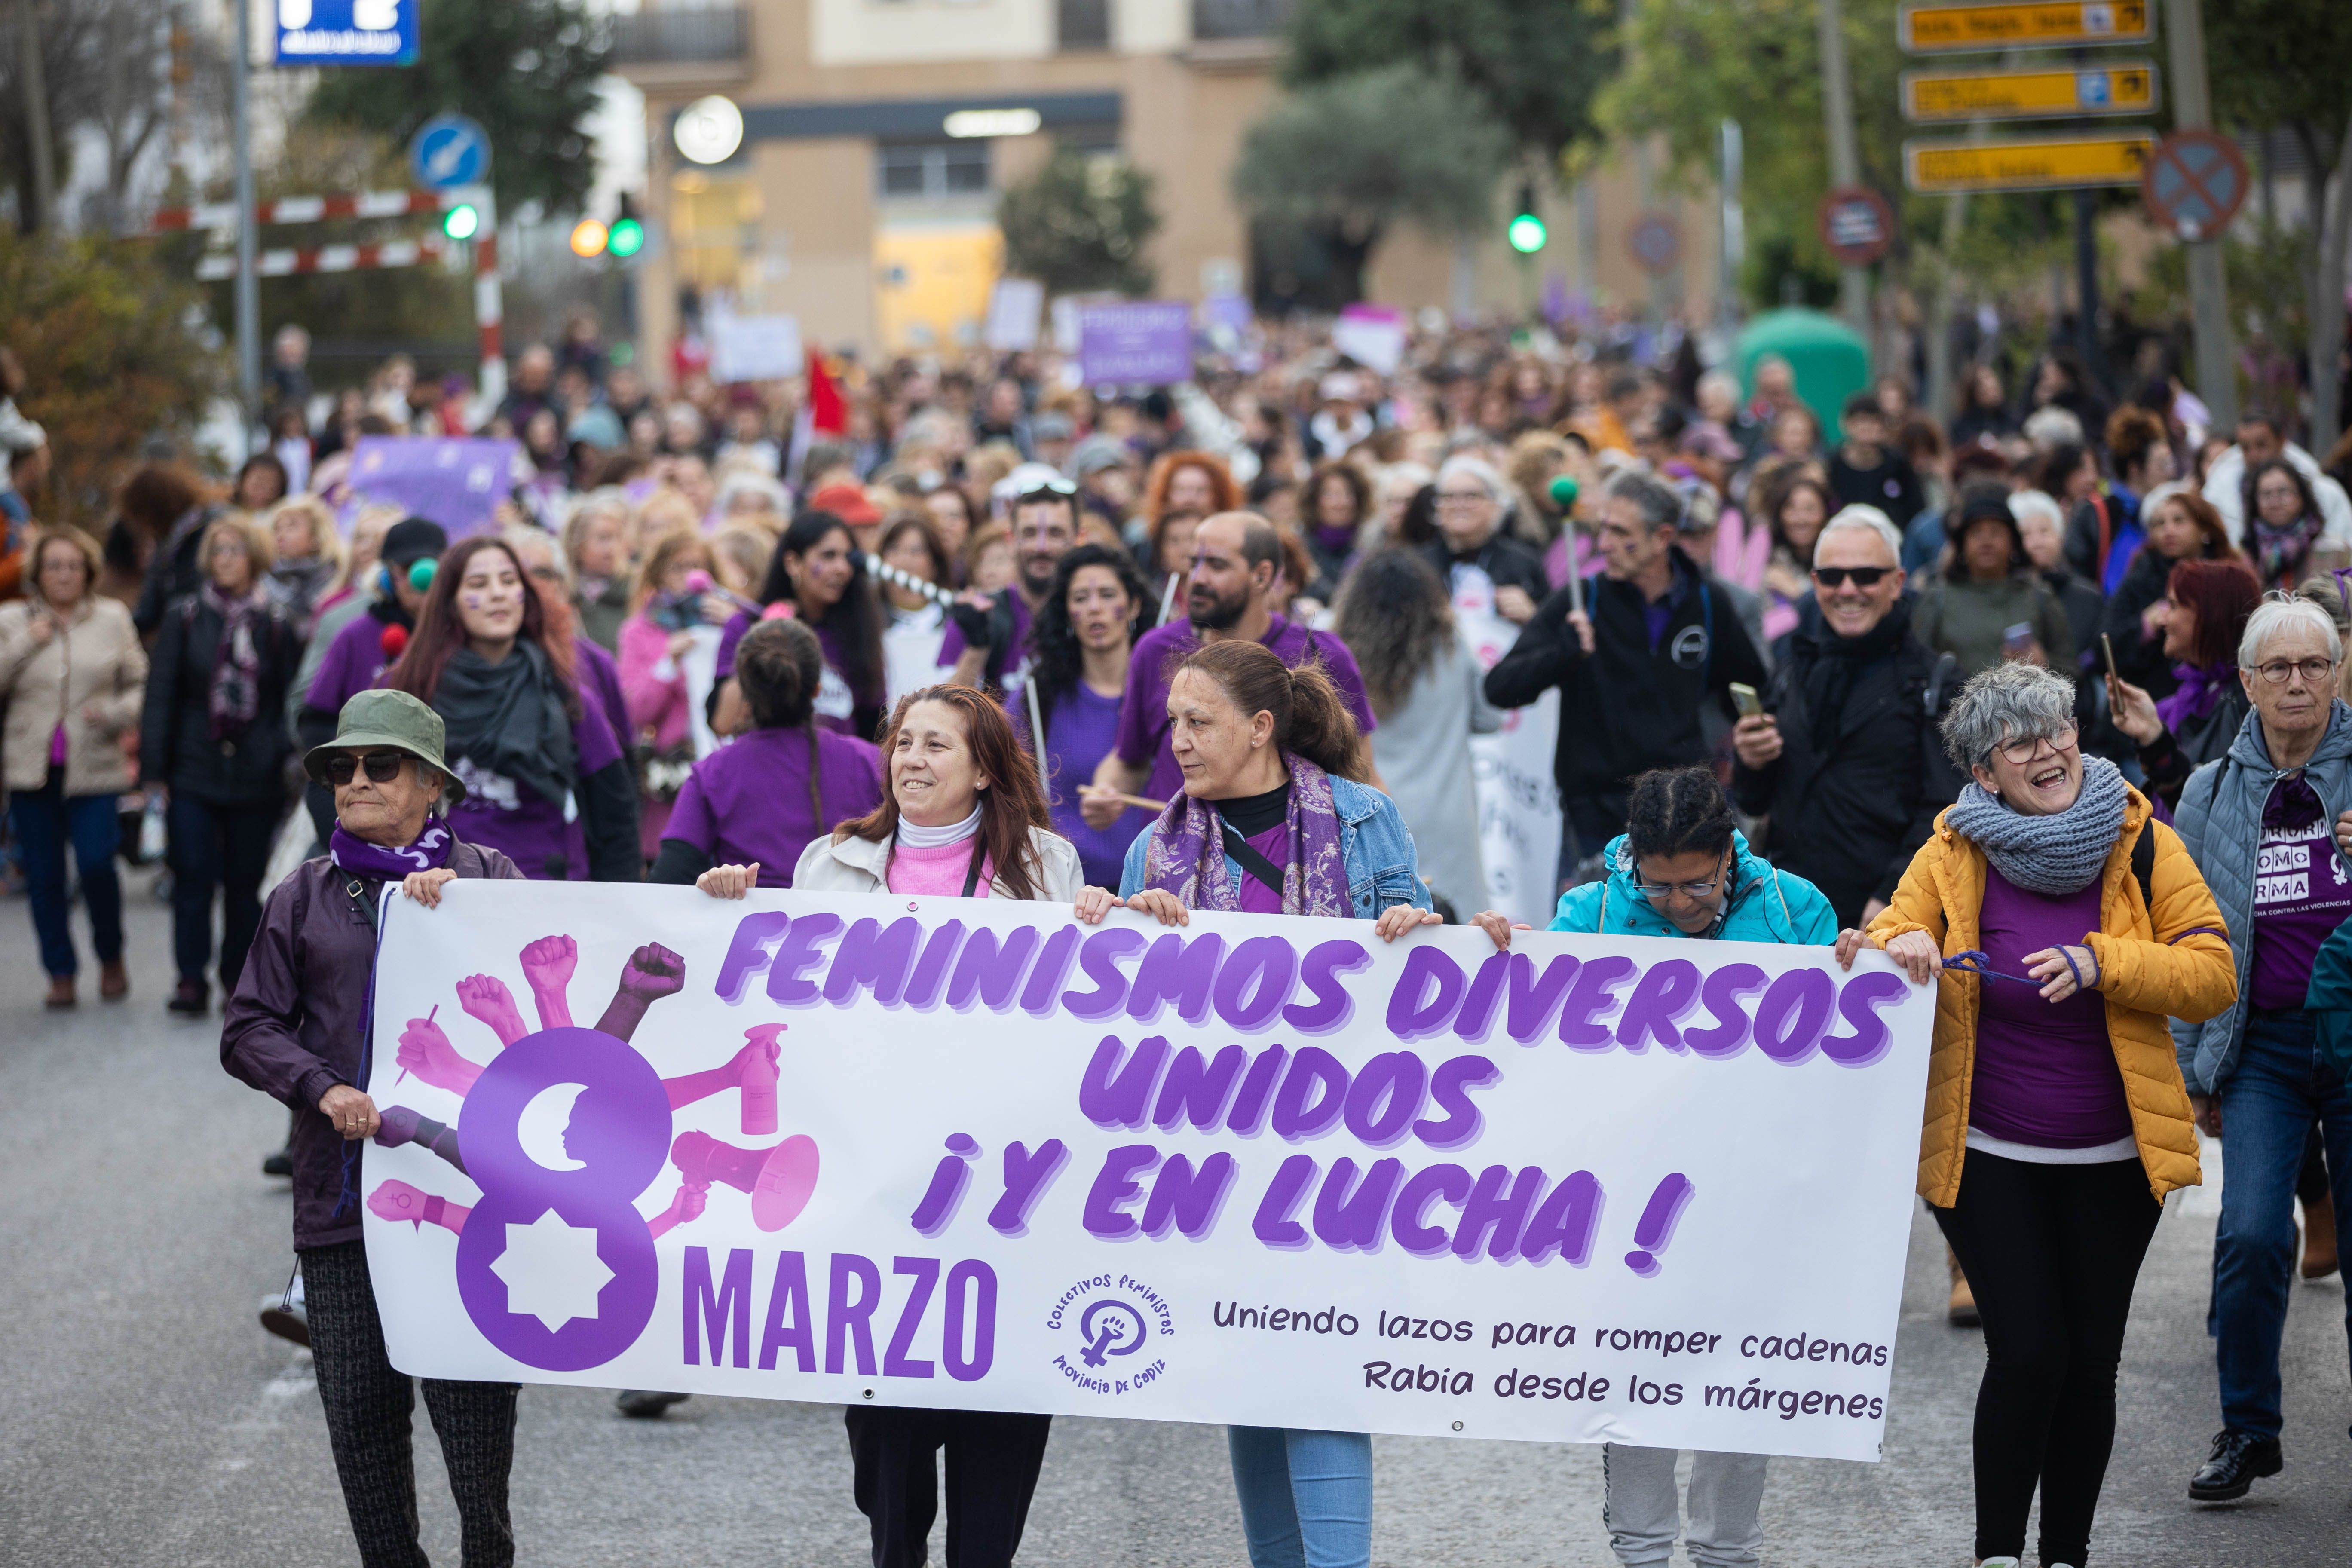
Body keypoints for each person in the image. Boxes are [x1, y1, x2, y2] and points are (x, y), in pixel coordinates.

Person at [1842, 660, 2233, 1566]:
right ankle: (1997, 1554)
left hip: (2117, 1156)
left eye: (2059, 729)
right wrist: (1896, 945)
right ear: (1985, 773)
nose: (2050, 750)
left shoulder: (2143, 840)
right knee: (2027, 1353)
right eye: (2022, 741)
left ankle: (2066, 1553)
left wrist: (2107, 964)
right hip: (1985, 1152)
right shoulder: (1950, 853)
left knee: (2089, 1363)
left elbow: (2214, 975)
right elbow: (1902, 932)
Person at [1073, 639, 1437, 1568]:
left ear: (1262, 727)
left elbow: (1426, 963)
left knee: (1320, 1371)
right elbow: (1126, 1012)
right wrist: (1117, 925)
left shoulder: (1364, 819)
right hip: (1216, 1157)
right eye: (1174, 725)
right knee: (1247, 1367)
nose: (1181, 743)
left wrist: (1416, 925)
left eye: (1200, 723)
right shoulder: (1157, 845)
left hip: (1338, 1146)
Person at [701, 683, 1079, 1568]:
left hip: (1001, 1206)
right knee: (890, 1476)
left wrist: (1119, 921)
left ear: (984, 768)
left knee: (992, 1479)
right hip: (879, 1212)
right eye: (904, 743)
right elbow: (785, 1006)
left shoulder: (1050, 866)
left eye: (937, 746)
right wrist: (724, 905)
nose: (912, 759)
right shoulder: (831, 864)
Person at [1470, 764, 1832, 1568]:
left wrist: (1867, 962)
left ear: (1730, 853)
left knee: (1742, 1380)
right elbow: (1539, 1045)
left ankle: (1727, 1552)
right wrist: (1503, 954)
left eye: (1697, 885)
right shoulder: (1588, 911)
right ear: (1631, 858)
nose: (1678, 903)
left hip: (1753, 1193)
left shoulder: (1794, 909)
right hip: (1627, 1200)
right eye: (1659, 886)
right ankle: (1640, 1554)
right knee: (1635, 1380)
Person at [220, 689, 528, 1568]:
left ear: (431, 785)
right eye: (340, 768)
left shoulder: (493, 882)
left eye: (378, 765)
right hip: (344, 1199)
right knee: (361, 1423)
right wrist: (320, 1089)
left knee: (475, 1433)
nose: (352, 781)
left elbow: (557, 1009)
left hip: (468, 1202)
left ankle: (488, 1556)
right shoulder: (304, 894)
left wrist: (465, 915)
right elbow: (247, 1027)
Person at [2171, 594, 2352, 1502]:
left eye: (2312, 665)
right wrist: (2188, 1068)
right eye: (2276, 668)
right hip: (2263, 1050)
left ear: (2336, 674)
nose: (2295, 683)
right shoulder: (2208, 790)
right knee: (2248, 1236)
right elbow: (2182, 936)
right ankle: (2249, 1431)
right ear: (2245, 683)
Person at [1485, 469, 1767, 889]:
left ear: (1663, 537)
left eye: (1620, 532)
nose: (1604, 545)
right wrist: (1564, 652)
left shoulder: (1709, 603)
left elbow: (1748, 695)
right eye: (1602, 529)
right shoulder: (1584, 599)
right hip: (1595, 815)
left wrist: (1758, 736)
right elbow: (1501, 688)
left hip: (1682, 812)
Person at [1731, 506, 1963, 928]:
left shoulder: (1935, 680)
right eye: (1833, 577)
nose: (1849, 589)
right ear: (1815, 583)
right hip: (1789, 912)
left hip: (1890, 919)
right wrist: (1751, 761)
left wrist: (1895, 897)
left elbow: (1947, 810)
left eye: (1866, 575)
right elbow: (1756, 800)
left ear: (1897, 583)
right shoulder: (1793, 669)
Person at [383, 535, 640, 882]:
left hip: (546, 892)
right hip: (440, 892)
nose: (498, 594)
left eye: (508, 581)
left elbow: (617, 813)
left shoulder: (566, 695)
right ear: (451, 602)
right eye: (478, 583)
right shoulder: (408, 691)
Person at [1090, 510, 1377, 820]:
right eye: (1194, 562)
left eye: (1217, 565)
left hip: (1289, 859)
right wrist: (1104, 792)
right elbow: (1130, 760)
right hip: (1177, 858)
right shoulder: (1155, 649)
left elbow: (1362, 776)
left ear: (1262, 576)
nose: (1198, 578)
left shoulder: (1323, 654)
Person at [141, 513, 302, 1016]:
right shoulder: (184, 616)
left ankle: (236, 978)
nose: (225, 560)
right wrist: (154, 773)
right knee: (191, 874)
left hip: (255, 774)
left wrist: (275, 748)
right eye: (218, 551)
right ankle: (190, 978)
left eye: (234, 550)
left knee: (244, 882)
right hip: (193, 766)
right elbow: (162, 694)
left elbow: (288, 700)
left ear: (254, 557)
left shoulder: (277, 623)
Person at [1, 524, 145, 1007]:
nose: (63, 574)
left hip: (96, 764)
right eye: (53, 566)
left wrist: (117, 714)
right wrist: (27, 643)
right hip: (30, 766)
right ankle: (60, 972)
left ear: (88, 572)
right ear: (37, 572)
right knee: (44, 877)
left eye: (73, 566)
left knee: (96, 865)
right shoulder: (11, 619)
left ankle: (110, 956)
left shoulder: (112, 617)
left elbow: (138, 683)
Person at [650, 617, 887, 889]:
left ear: (744, 692)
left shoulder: (712, 774)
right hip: (854, 928)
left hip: (749, 930)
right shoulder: (872, 762)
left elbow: (669, 880)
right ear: (817, 690)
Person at [1332, 548, 1497, 913]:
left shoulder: (1336, 650)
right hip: (1446, 817)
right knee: (1459, 938)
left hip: (1364, 812)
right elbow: (1490, 718)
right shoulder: (1452, 648)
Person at [294, 517, 448, 850]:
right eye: (405, 568)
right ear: (389, 574)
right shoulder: (356, 634)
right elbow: (314, 720)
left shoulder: (458, 640)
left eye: (427, 568)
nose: (417, 580)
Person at [1017, 542, 1153, 891]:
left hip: (1158, 892)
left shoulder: (1168, 693)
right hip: (1065, 893)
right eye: (1080, 598)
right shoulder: (1038, 697)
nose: (1095, 609)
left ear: (1134, 604)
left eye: (1108, 595)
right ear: (1066, 612)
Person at [713, 510, 889, 741]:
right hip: (770, 768)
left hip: (837, 770)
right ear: (793, 563)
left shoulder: (858, 630)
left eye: (848, 558)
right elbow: (724, 722)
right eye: (828, 556)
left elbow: (875, 729)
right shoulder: (746, 625)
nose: (843, 568)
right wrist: (767, 636)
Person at [2105, 560, 2262, 808]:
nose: (2162, 618)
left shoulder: (2249, 703)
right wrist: (2150, 733)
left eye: (2173, 605)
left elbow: (2205, 806)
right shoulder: (2192, 695)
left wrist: (2155, 740)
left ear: (2210, 615)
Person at [618, 529, 731, 859]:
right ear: (658, 577)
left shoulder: (730, 624)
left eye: (698, 566)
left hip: (725, 766)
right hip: (671, 778)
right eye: (677, 568)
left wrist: (737, 628)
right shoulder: (641, 630)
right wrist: (668, 664)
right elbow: (635, 711)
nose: (690, 577)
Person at [1913, 484, 2074, 676]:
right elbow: (1915, 669)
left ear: (2013, 543)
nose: (1986, 541)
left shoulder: (2040, 597)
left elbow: (2073, 672)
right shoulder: (1936, 600)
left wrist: (2045, 664)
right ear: (1962, 545)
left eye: (1996, 532)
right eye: (1976, 532)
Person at [941, 478, 1080, 692]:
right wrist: (977, 647)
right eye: (1030, 533)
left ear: (1079, 539)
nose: (1041, 547)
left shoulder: (1093, 613)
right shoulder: (980, 614)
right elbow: (946, 711)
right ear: (1011, 540)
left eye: (1055, 533)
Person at [2098, 487, 2235, 702]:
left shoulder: (2228, 576)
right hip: (2151, 696)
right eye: (2159, 524)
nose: (2168, 530)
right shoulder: (2140, 576)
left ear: (2204, 529)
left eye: (2179, 521)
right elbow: (2105, 643)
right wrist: (2145, 626)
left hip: (2216, 695)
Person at [1422, 454, 1547, 625]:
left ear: (1496, 505)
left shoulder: (1524, 562)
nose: (1459, 505)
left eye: (1471, 496)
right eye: (1448, 497)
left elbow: (1554, 633)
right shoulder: (1418, 565)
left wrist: (1532, 615)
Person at [2065, 407, 2175, 596]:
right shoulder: (2095, 513)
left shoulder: (2169, 511)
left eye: (2171, 463)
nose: (2170, 472)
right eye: (2162, 464)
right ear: (2135, 469)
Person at [2201, 412, 2352, 548]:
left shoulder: (2325, 492)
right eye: (2245, 448)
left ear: (2281, 441)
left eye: (2261, 445)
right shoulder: (2219, 493)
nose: (2253, 456)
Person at [876, 512, 954, 704]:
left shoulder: (955, 618)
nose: (904, 561)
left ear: (935, 564)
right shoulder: (869, 620)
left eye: (916, 551)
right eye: (894, 550)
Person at [1755, 471, 1836, 645]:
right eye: (1791, 508)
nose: (1800, 519)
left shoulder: (1838, 564)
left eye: (1810, 509)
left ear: (1825, 515)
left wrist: (1798, 592)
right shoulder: (1764, 562)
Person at [1827, 392, 1925, 530]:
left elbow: (1916, 511)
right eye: (1861, 421)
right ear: (1846, 424)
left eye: (1874, 421)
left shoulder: (1898, 464)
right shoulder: (1831, 466)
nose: (1867, 428)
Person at [2241, 457, 2331, 591]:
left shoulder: (2328, 548)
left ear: (2301, 497)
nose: (2275, 503)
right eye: (2266, 495)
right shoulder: (2247, 553)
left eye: (2283, 492)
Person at [564, 489, 639, 652]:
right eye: (603, 538)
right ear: (578, 545)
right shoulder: (564, 595)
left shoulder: (637, 590)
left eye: (618, 538)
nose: (612, 549)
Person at [264, 496, 345, 637]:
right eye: (277, 529)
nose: (281, 535)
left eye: (291, 526)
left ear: (316, 536)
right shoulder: (265, 580)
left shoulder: (337, 579)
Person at [1300, 460, 1372, 602]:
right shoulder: (1301, 548)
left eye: (1348, 494)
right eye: (1330, 495)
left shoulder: (1369, 545)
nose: (1340, 503)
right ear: (1315, 501)